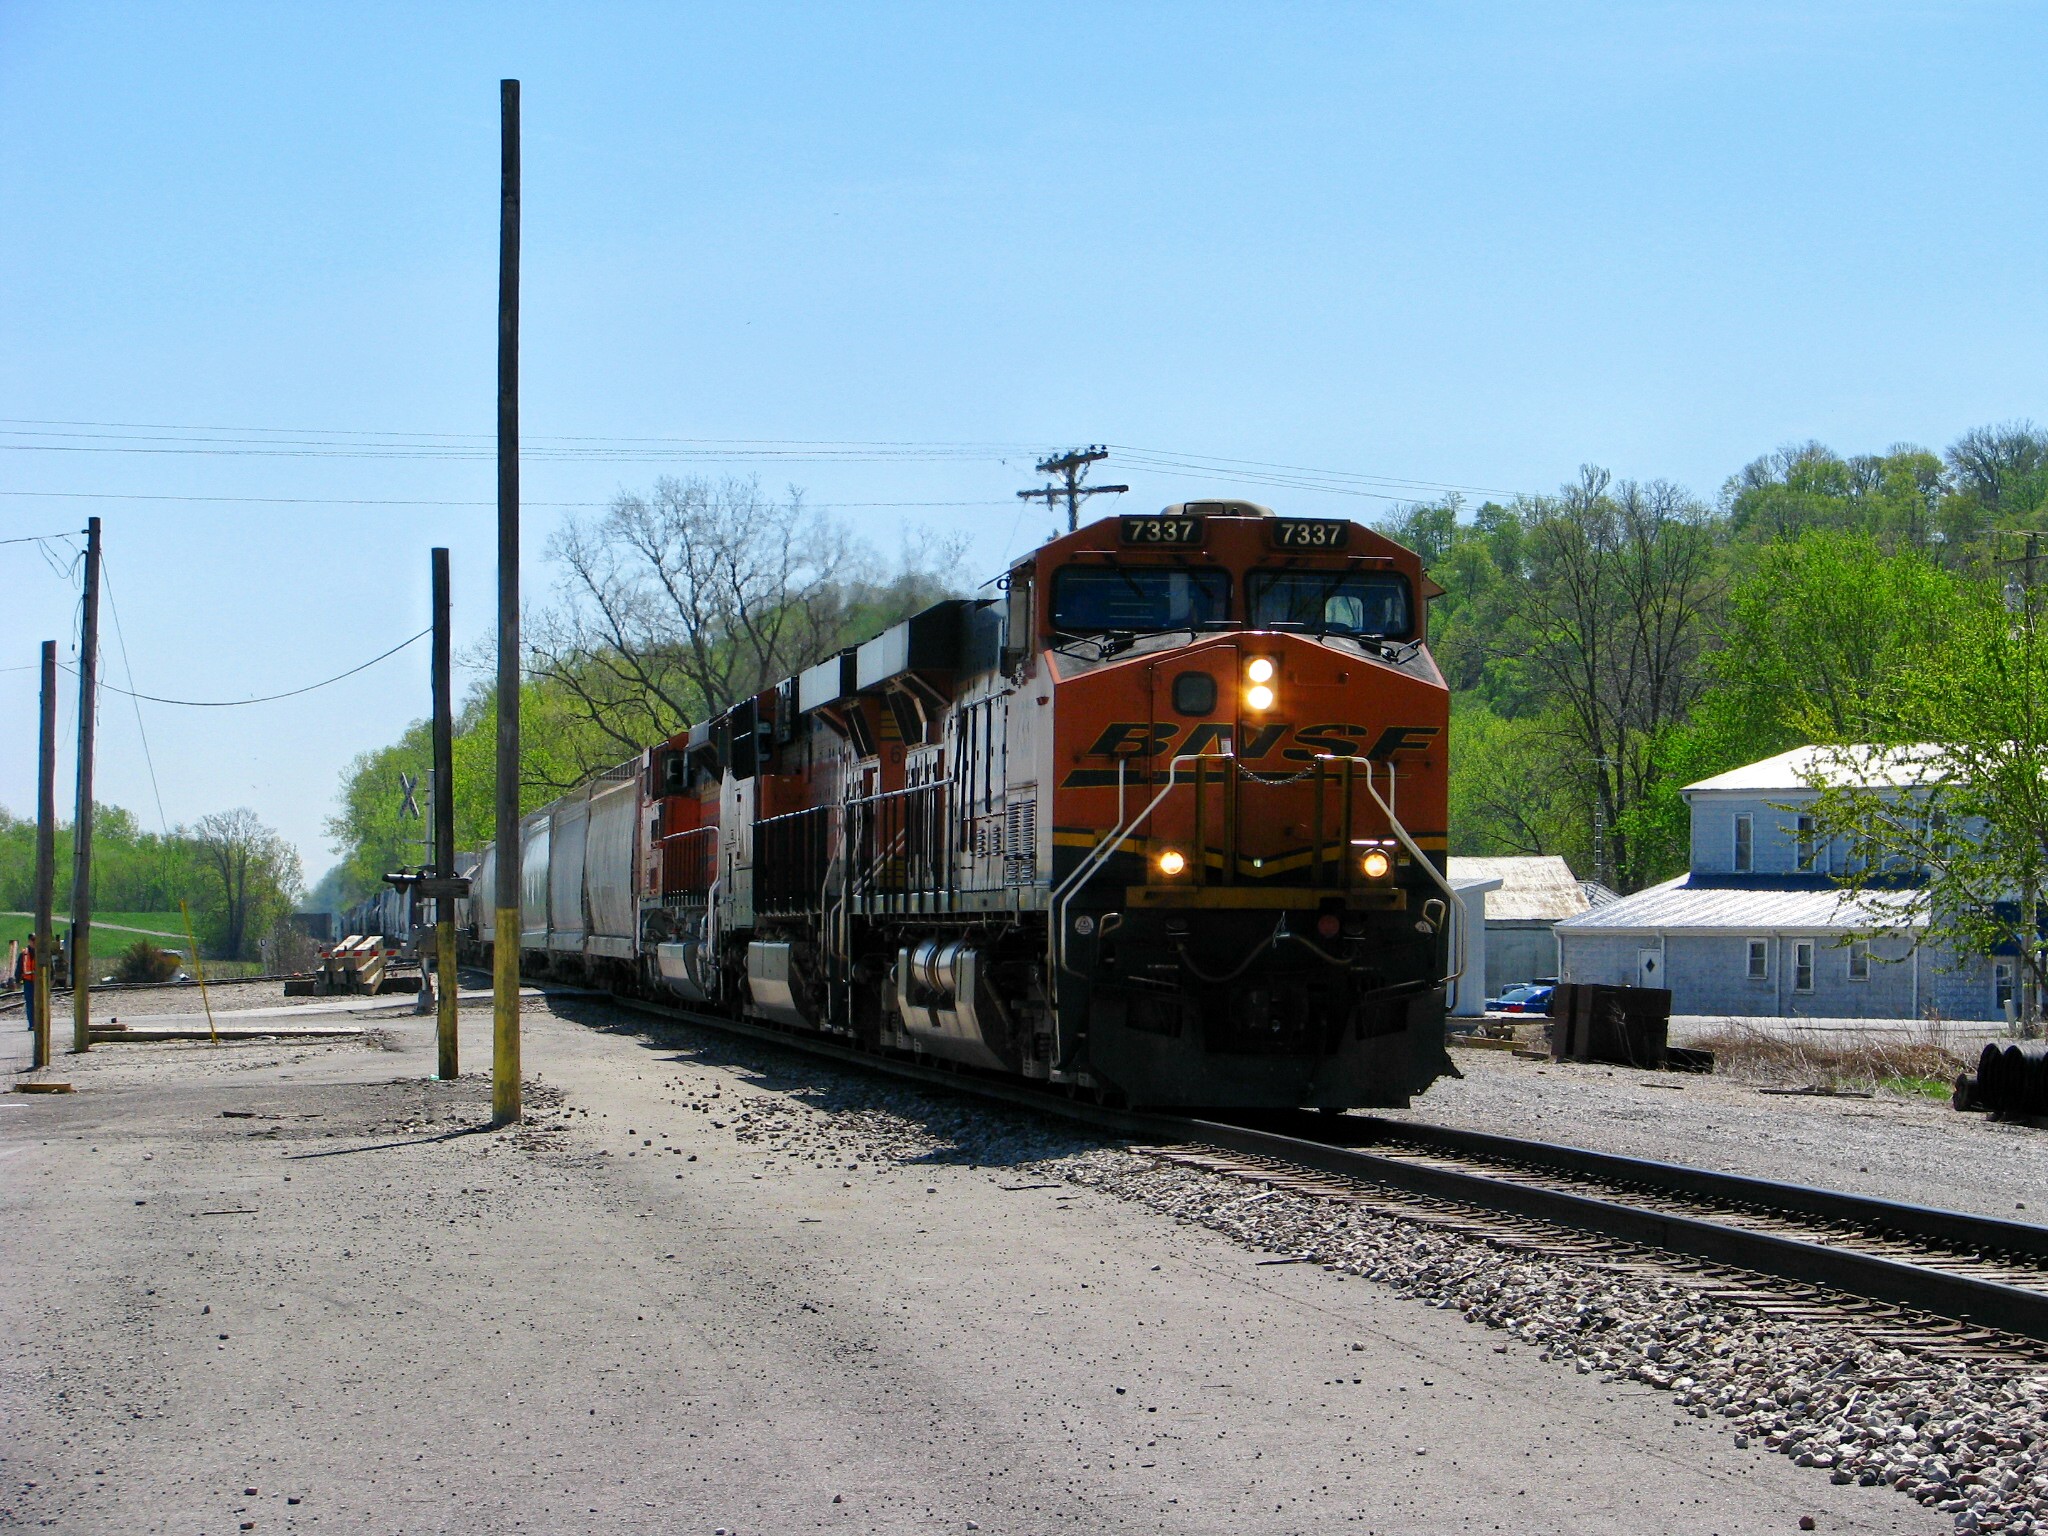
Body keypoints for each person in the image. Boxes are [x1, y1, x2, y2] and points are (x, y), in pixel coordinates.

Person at [17, 940, 35, 1032]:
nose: (34, 942)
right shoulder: (24, 954)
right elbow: (19, 967)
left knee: (40, 1003)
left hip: (39, 982)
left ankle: (39, 1023)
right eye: (33, 940)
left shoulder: (42, 952)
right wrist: (17, 980)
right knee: (30, 1003)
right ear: (29, 941)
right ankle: (32, 1024)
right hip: (28, 981)